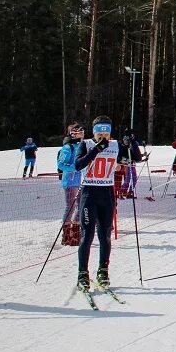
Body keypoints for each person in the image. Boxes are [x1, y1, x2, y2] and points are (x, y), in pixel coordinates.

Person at [73, 116, 120, 291]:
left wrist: (131, 143)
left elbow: (135, 158)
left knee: (105, 235)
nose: (103, 136)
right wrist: (96, 150)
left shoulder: (114, 145)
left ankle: (103, 271)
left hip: (107, 193)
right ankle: (82, 273)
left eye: (106, 133)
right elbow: (78, 165)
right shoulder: (85, 144)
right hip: (89, 193)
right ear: (94, 131)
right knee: (87, 235)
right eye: (100, 132)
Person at [57, 123, 85, 246]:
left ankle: (76, 232)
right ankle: (67, 234)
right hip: (70, 181)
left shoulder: (81, 146)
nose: (82, 134)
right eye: (79, 132)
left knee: (80, 206)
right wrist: (75, 167)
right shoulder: (68, 147)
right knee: (70, 206)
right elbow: (61, 164)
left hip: (81, 181)